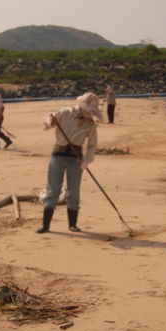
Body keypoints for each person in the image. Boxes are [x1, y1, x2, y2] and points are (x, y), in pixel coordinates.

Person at [37, 92, 102, 233]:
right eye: (86, 110)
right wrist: (50, 121)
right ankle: (45, 225)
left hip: (76, 158)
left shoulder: (91, 123)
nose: (87, 114)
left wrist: (86, 160)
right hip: (58, 154)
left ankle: (72, 224)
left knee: (74, 191)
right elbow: (46, 125)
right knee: (52, 189)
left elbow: (92, 145)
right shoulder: (64, 113)